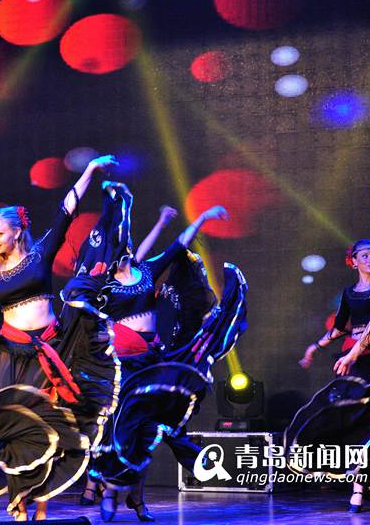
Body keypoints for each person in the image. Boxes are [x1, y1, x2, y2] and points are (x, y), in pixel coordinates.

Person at [0, 155, 119, 522]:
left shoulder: (40, 254)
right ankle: (6, 499)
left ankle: (37, 504)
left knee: (43, 425)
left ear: (16, 232)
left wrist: (90, 170)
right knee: (4, 424)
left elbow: (67, 209)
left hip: (49, 349)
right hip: (9, 355)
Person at [62, 180, 243, 522]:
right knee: (125, 430)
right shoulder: (104, 286)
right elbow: (79, 302)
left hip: (152, 359)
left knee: (152, 426)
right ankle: (111, 493)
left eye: (125, 242)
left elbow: (178, 246)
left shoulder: (146, 271)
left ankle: (140, 498)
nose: (123, 246)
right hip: (123, 365)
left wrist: (202, 217)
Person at [301, 188, 370, 512]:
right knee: (358, 424)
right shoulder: (350, 293)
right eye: (365, 255)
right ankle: (366, 486)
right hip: (358, 363)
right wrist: (314, 347)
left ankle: (367, 485)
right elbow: (339, 328)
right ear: (353, 261)